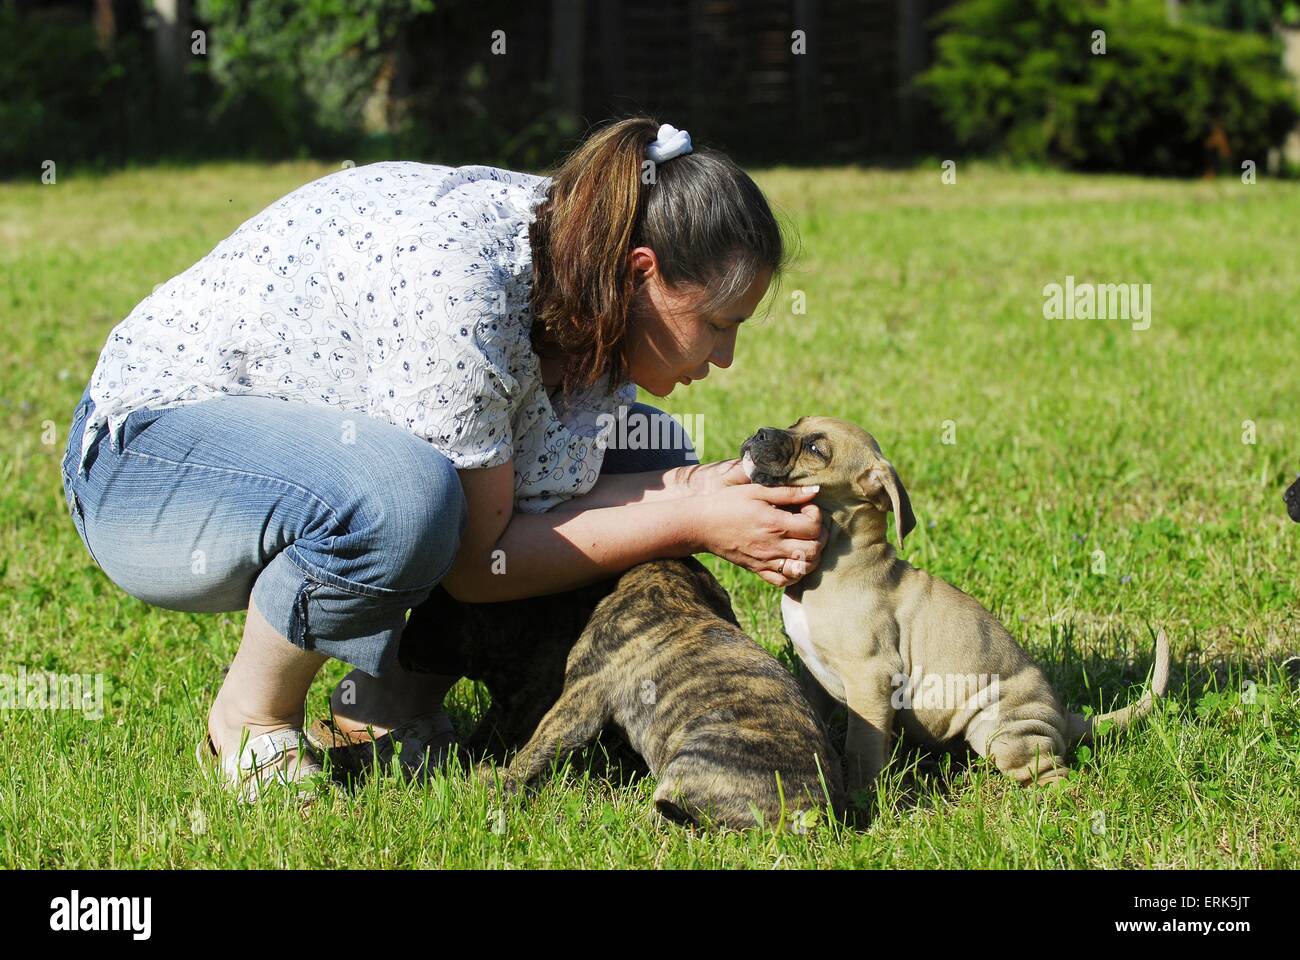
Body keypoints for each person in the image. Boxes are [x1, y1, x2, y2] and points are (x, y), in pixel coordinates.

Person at [58, 117, 828, 799]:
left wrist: (701, 487)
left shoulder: (588, 242)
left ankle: (382, 705)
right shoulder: (460, 286)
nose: (725, 358)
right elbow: (477, 562)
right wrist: (691, 516)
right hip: (148, 460)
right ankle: (252, 718)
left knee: (656, 448)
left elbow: (533, 494)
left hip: (285, 454)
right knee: (407, 497)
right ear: (641, 273)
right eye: (719, 324)